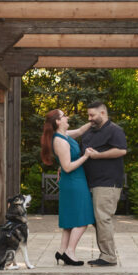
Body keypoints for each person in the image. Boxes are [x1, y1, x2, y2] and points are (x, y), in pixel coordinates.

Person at [40, 108, 96, 266]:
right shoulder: (60, 141)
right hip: (74, 182)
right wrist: (85, 156)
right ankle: (70, 252)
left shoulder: (64, 135)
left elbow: (80, 131)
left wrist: (92, 121)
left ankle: (62, 251)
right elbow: (67, 167)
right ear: (58, 121)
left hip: (74, 181)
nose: (67, 117)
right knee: (84, 219)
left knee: (70, 221)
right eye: (64, 116)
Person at [80, 101, 127, 266]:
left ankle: (109, 257)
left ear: (102, 113)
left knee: (103, 218)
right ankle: (106, 254)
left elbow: (121, 150)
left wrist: (98, 155)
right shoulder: (89, 132)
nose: (89, 118)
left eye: (92, 115)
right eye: (88, 115)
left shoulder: (115, 130)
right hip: (90, 183)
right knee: (97, 220)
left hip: (107, 183)